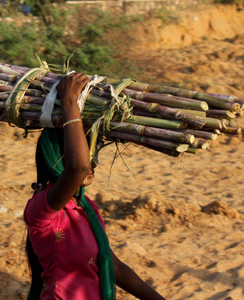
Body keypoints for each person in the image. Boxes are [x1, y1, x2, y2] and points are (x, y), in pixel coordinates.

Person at [23, 72, 165, 300]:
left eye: (94, 154)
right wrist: (69, 102)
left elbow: (113, 266)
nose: (93, 163)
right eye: (86, 154)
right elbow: (77, 169)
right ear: (54, 158)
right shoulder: (40, 211)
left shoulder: (85, 207)